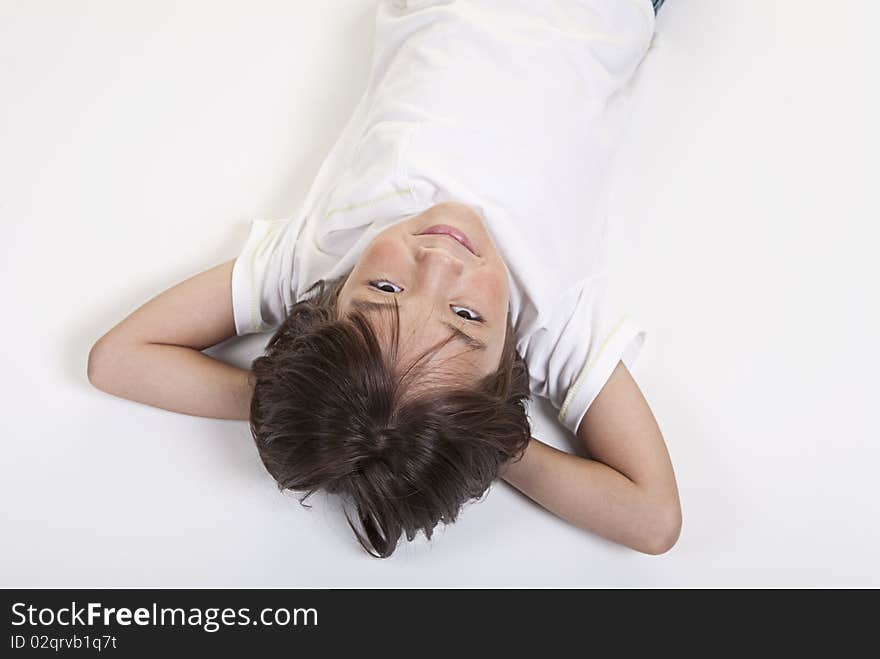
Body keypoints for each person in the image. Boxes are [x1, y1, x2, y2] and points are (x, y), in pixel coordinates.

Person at [88, 0, 681, 558]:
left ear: (327, 305)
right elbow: (653, 519)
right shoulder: (548, 318)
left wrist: (294, 401)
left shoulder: (320, 259)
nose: (440, 264)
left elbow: (118, 360)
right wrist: (481, 444)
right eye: (466, 317)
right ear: (504, 370)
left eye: (386, 291)